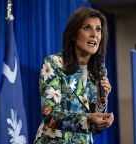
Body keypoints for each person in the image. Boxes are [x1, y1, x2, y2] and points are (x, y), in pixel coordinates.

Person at [34, 7, 114, 144]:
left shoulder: (98, 72)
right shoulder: (54, 63)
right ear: (73, 34)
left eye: (98, 29)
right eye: (87, 28)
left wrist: (102, 103)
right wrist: (87, 118)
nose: (94, 34)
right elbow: (50, 115)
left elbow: (95, 129)